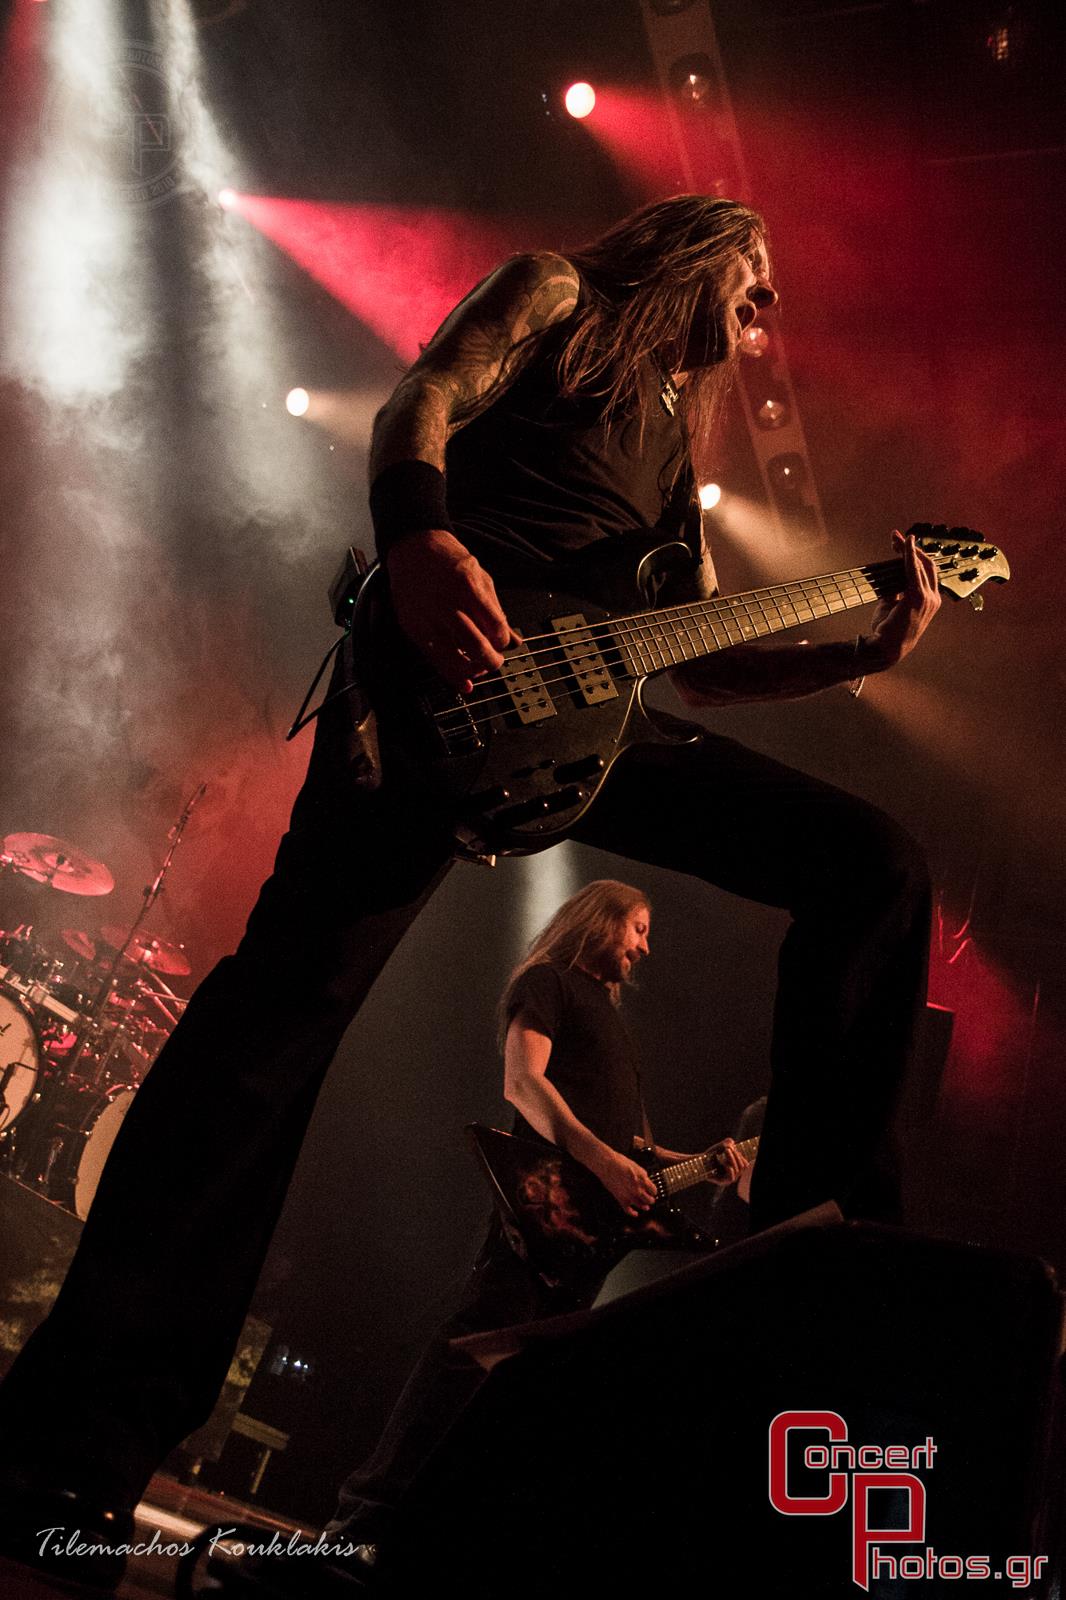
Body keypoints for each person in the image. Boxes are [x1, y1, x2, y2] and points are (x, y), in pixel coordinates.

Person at [0, 194, 938, 1593]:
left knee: (872, 862)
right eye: (754, 277)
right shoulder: (555, 294)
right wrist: (420, 540)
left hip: (590, 729)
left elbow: (690, 663)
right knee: (267, 1040)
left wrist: (856, 649)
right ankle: (68, 1444)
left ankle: (814, 1254)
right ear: (691, 249)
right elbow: (423, 398)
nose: (768, 311)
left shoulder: (675, 452)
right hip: (434, 696)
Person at [298, 880, 746, 1590]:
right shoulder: (550, 983)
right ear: (600, 920)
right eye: (638, 927)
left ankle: (432, 1541)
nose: (645, 947)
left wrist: (698, 1164)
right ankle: (360, 1524)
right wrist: (602, 1161)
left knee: (516, 1389)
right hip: (541, 1214)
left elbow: (630, 1148)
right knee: (468, 1358)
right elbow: (523, 1084)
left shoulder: (612, 1020)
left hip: (590, 1240)